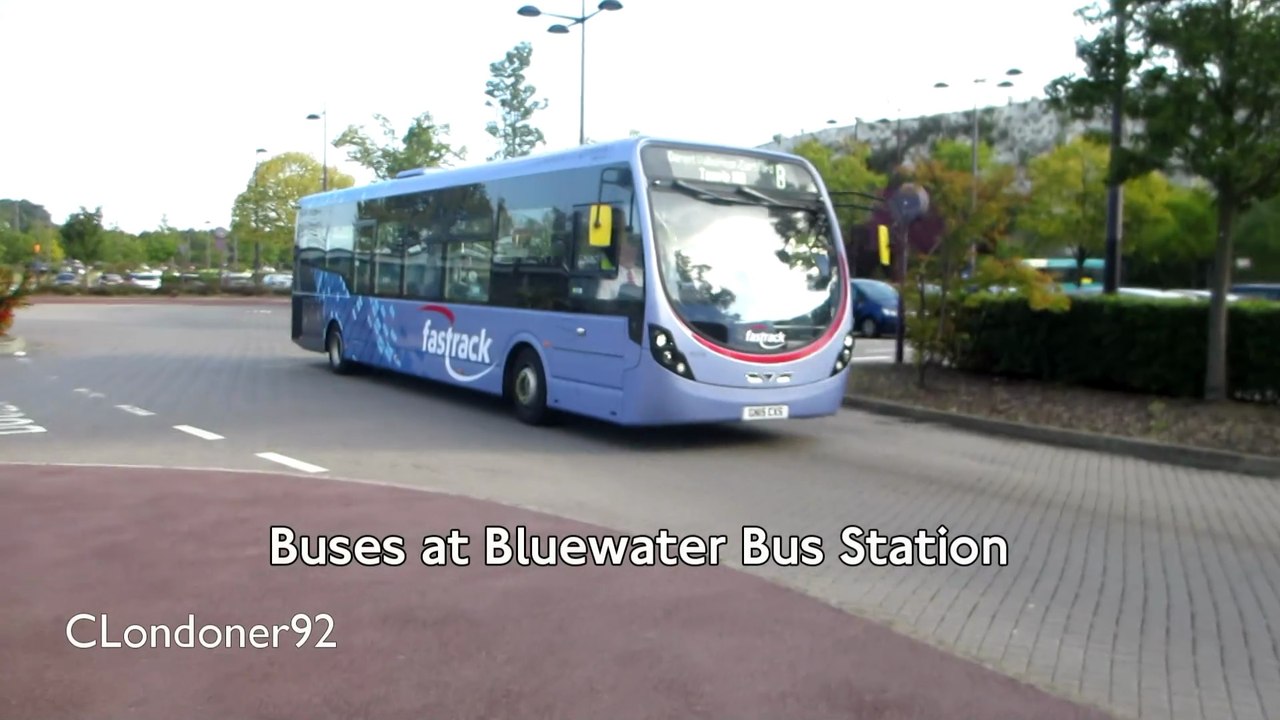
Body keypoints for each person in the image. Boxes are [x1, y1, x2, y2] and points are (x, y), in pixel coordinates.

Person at [595, 233, 644, 300]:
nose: (633, 251)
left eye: (634, 247)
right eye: (628, 248)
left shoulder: (644, 275)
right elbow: (601, 305)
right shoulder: (608, 280)